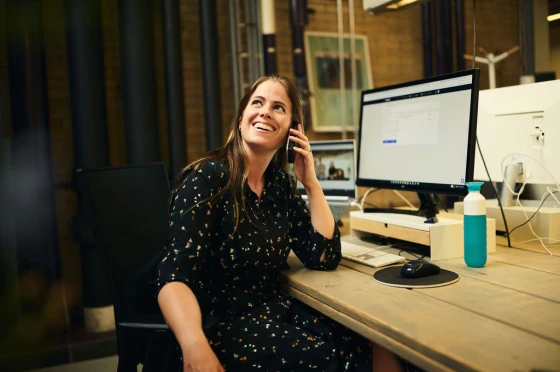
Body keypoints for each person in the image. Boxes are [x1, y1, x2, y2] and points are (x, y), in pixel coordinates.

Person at [155, 75, 402, 371]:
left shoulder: (280, 186)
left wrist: (311, 183)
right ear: (240, 118)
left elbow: (323, 256)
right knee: (336, 359)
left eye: (278, 107)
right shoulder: (207, 178)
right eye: (257, 103)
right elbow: (173, 278)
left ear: (292, 132)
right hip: (219, 323)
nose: (265, 112)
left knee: (375, 341)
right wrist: (194, 344)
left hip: (273, 310)